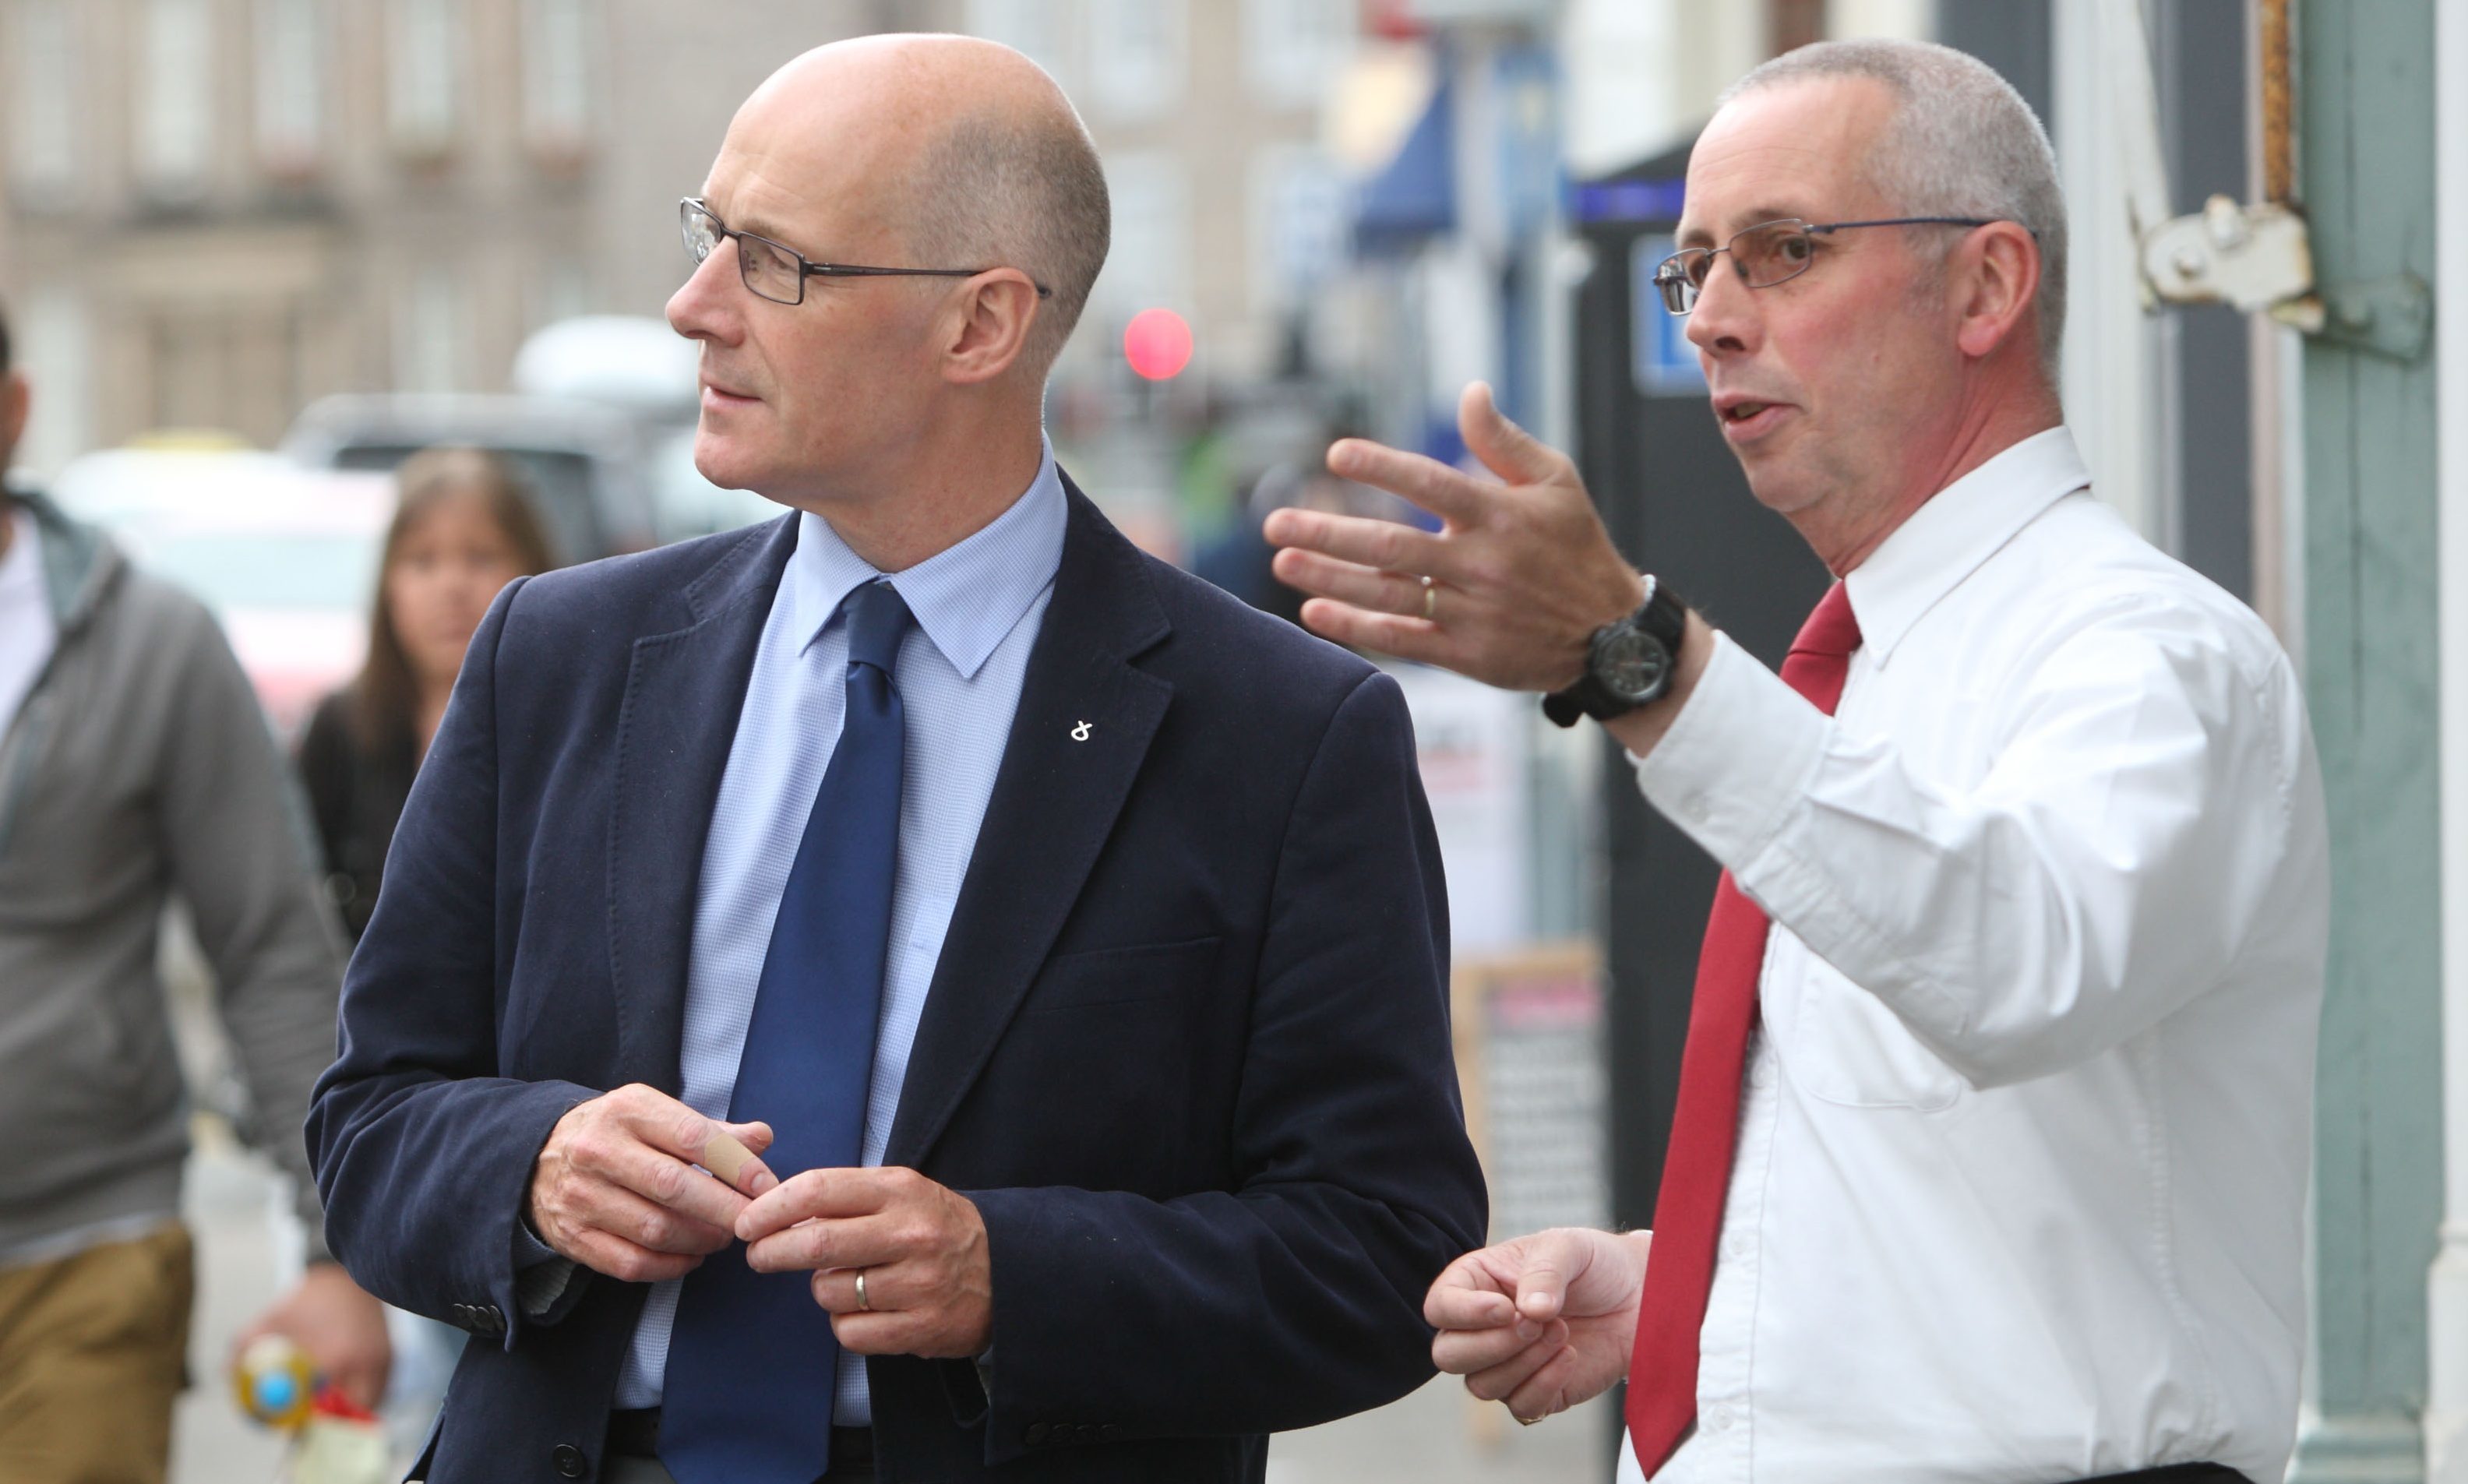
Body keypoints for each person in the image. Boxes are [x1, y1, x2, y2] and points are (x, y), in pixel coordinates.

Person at [308, 34, 1484, 1484]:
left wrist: (1010, 1273)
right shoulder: (555, 657)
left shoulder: (1281, 733)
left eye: (774, 263)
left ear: (981, 325)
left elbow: (1383, 1251)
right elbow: (367, 1125)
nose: (694, 309)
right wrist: (533, 1172)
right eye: (707, 237)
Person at [1267, 38, 2325, 1484]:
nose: (1708, 316)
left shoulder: (2139, 652)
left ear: (1986, 286)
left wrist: (1634, 660)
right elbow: (1956, 1186)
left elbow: (2013, 967)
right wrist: (1690, 1294)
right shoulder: (1871, 664)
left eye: (1780, 252)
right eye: (1690, 268)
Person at [0, 308, 391, 1482]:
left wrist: (336, 1252)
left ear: (14, 412)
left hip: (84, 1250)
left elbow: (270, 946)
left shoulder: (150, 643)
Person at [297, 447, 555, 942]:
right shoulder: (342, 726)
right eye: (422, 561)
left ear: (535, 569)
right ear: (388, 586)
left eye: (481, 557)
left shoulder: (574, 725)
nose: (451, 587)